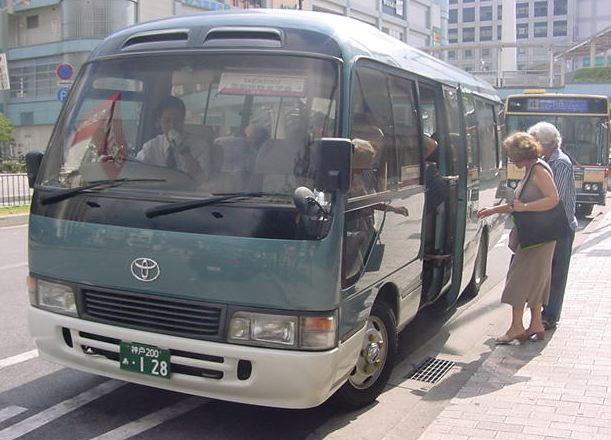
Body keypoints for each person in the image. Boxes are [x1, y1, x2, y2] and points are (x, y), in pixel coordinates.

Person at [478, 132, 560, 344]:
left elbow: (553, 199)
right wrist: (493, 210)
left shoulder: (538, 170)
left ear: (521, 153)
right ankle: (536, 324)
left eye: (511, 154)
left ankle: (516, 327)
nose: (510, 158)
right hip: (537, 237)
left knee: (517, 280)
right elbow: (516, 205)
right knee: (536, 281)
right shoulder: (533, 168)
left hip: (537, 237)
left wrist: (526, 207)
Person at [527, 122, 577, 330]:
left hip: (560, 227)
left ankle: (550, 315)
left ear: (544, 143)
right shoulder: (544, 162)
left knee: (556, 274)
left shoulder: (561, 163)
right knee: (543, 273)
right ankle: (541, 314)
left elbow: (557, 199)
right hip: (547, 226)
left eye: (534, 141)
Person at [136, 96, 208, 182]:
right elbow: (136, 171)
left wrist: (185, 152)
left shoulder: (200, 146)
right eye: (167, 121)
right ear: (159, 122)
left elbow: (203, 181)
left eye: (177, 120)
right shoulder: (151, 147)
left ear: (183, 121)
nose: (172, 126)